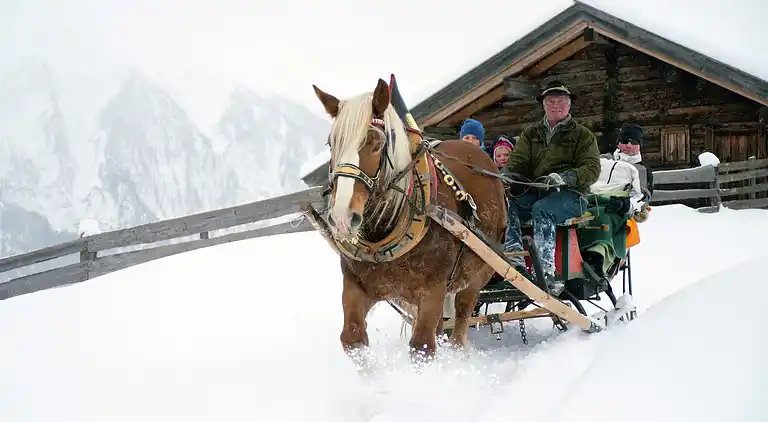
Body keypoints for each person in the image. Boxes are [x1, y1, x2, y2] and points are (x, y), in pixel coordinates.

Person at [501, 80, 601, 295]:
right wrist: (507, 176)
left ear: (569, 105)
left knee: (542, 209)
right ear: (544, 105)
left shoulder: (583, 135)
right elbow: (517, 161)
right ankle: (514, 259)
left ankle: (545, 270)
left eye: (561, 101)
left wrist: (564, 178)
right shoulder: (531, 133)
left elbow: (592, 169)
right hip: (536, 192)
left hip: (572, 196)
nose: (556, 105)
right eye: (551, 101)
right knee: (508, 204)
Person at [605, 123, 654, 222]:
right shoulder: (605, 160)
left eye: (634, 142)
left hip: (623, 217)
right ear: (618, 143)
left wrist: (625, 204)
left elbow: (642, 197)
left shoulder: (641, 169)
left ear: (640, 146)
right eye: (625, 141)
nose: (629, 145)